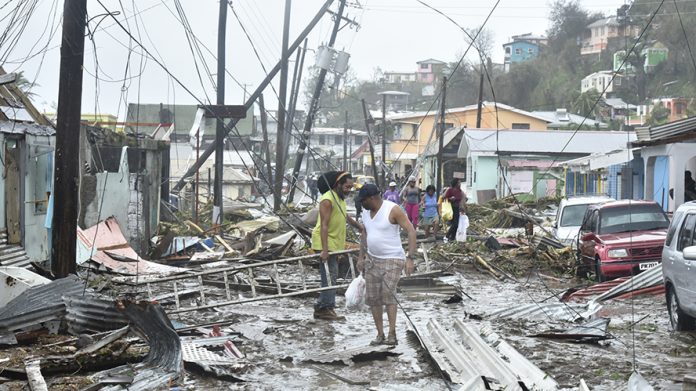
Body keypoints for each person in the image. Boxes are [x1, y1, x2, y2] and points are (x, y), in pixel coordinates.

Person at [357, 184, 416, 346]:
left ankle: (392, 333)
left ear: (371, 198)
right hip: (372, 259)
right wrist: (361, 257)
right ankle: (380, 334)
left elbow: (411, 230)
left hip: (393, 258)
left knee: (387, 294)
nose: (361, 204)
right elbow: (364, 233)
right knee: (373, 297)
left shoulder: (393, 209)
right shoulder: (366, 213)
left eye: (363, 201)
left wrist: (410, 257)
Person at [312, 171, 363, 321]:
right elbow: (324, 226)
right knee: (329, 275)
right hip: (324, 242)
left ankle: (325, 306)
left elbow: (345, 216)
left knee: (332, 275)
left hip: (335, 243)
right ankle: (324, 307)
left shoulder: (339, 199)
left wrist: (359, 226)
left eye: (350, 188)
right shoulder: (327, 200)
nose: (348, 190)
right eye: (346, 187)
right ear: (338, 185)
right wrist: (325, 250)